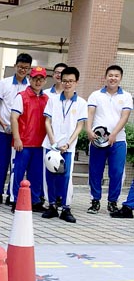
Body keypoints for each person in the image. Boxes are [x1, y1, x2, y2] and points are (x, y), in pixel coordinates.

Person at [41, 67, 87, 223]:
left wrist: (68, 143)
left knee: (66, 177)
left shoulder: (81, 103)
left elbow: (80, 125)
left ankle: (66, 208)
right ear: (61, 81)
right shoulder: (52, 99)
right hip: (50, 145)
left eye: (71, 81)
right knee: (49, 175)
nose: (67, 84)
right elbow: (47, 121)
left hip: (68, 147)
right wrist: (53, 141)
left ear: (76, 82)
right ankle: (52, 206)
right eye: (65, 81)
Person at [85, 65, 132, 214]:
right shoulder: (95, 95)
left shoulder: (126, 96)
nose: (113, 78)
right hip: (98, 140)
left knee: (117, 172)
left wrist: (114, 134)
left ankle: (112, 202)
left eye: (116, 76)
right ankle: (95, 201)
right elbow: (90, 114)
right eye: (110, 75)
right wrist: (89, 130)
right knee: (95, 171)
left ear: (120, 78)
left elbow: (125, 117)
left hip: (118, 141)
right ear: (105, 77)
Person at [0, 53, 32, 205]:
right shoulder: (4, 83)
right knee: (1, 162)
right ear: (15, 66)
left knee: (15, 163)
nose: (23, 70)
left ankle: (11, 194)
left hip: (20, 133)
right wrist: (3, 124)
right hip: (3, 130)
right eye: (21, 67)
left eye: (26, 68)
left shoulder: (29, 86)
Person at [10, 66, 48, 211]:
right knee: (18, 172)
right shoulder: (21, 96)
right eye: (35, 79)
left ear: (45, 81)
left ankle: (35, 200)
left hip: (40, 144)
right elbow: (14, 118)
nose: (38, 82)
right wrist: (17, 138)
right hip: (23, 143)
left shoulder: (46, 99)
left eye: (41, 79)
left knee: (36, 174)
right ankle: (15, 200)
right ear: (30, 79)